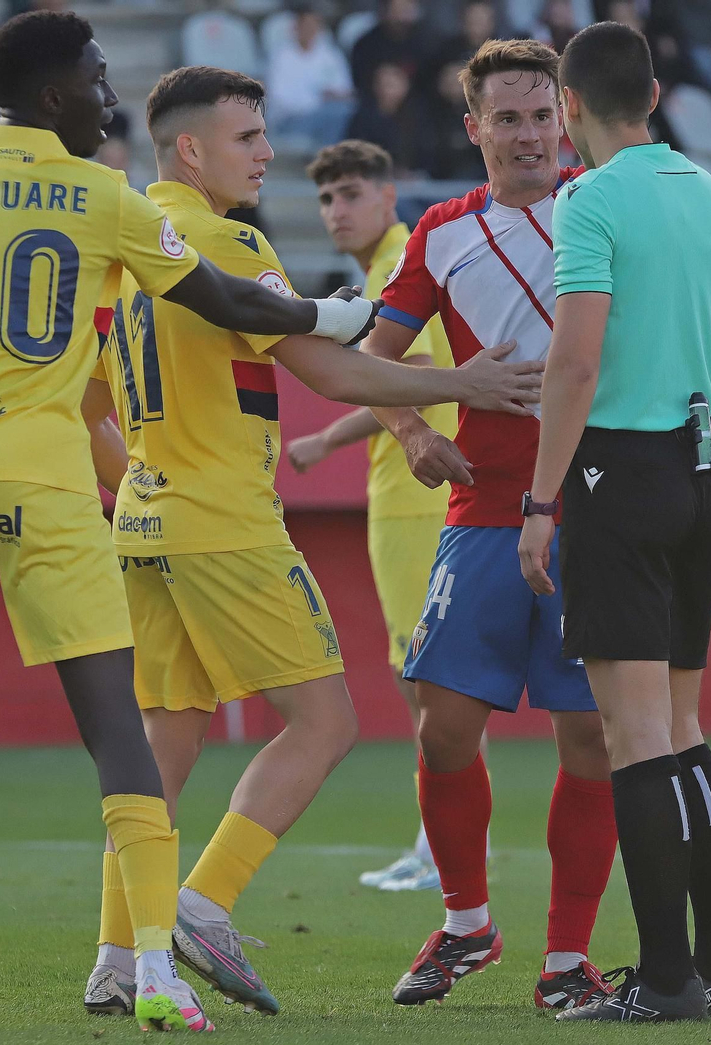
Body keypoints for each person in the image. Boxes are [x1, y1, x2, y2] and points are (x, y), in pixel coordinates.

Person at [0, 10, 388, 1034]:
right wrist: (334, 313)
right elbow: (224, 298)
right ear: (52, 97)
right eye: (92, 78)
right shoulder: (99, 196)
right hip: (53, 482)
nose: (105, 95)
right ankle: (167, 957)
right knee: (125, 734)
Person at [82, 65, 543, 1020]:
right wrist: (464, 386)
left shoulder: (122, 253)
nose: (268, 152)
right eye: (248, 137)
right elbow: (330, 371)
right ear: (191, 150)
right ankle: (203, 905)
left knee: (162, 746)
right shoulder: (223, 240)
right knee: (327, 721)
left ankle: (119, 957)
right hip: (227, 524)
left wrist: (140, 479)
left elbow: (89, 403)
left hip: (145, 525)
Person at [518, 21, 711, 1021]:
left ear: (569, 107)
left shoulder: (587, 199)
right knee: (682, 726)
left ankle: (664, 979)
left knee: (634, 741)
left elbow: (573, 362)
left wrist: (539, 501)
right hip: (704, 469)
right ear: (656, 97)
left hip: (614, 479)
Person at [365, 38, 620, 1012]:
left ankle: (566, 958)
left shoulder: (603, 209)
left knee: (590, 735)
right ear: (473, 128)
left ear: (566, 116)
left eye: (539, 116)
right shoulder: (438, 232)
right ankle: (466, 923)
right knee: (441, 727)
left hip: (596, 506)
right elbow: (379, 358)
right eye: (504, 119)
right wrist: (408, 425)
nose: (525, 135)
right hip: (480, 507)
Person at [287, 139, 458, 893]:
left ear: (390, 196)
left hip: (416, 497)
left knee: (426, 677)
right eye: (326, 199)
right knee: (424, 676)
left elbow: (412, 372)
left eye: (351, 193)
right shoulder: (384, 268)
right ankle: (438, 842)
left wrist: (325, 435)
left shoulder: (398, 264)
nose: (336, 211)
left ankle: (441, 848)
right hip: (407, 488)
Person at [264, 4, 354, 150]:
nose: (309, 30)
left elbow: (345, 89)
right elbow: (280, 97)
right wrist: (318, 100)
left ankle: (328, 153)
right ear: (296, 27)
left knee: (344, 111)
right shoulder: (281, 56)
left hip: (326, 116)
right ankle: (328, 154)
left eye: (314, 25)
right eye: (305, 25)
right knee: (332, 115)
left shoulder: (330, 54)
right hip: (291, 119)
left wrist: (332, 96)